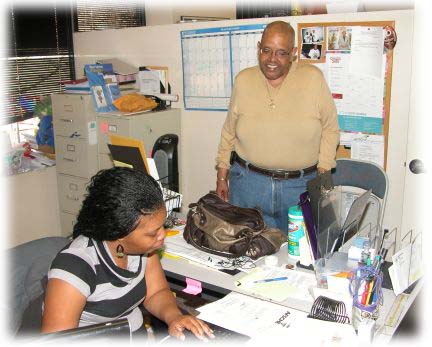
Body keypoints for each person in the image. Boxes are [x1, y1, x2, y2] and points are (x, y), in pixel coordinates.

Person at [41, 167, 214, 341]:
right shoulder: (75, 268)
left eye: (164, 225)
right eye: (153, 233)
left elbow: (156, 293)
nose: (162, 235)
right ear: (119, 234)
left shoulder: (143, 250)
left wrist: (174, 317)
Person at [215, 21, 339, 234]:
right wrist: (221, 176)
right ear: (258, 48)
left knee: (299, 257)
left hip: (299, 187)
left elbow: (330, 128)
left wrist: (323, 176)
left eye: (281, 53)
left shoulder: (312, 79)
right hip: (248, 186)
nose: (272, 60)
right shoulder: (244, 80)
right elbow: (229, 132)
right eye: (266, 51)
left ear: (293, 53)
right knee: (246, 253)